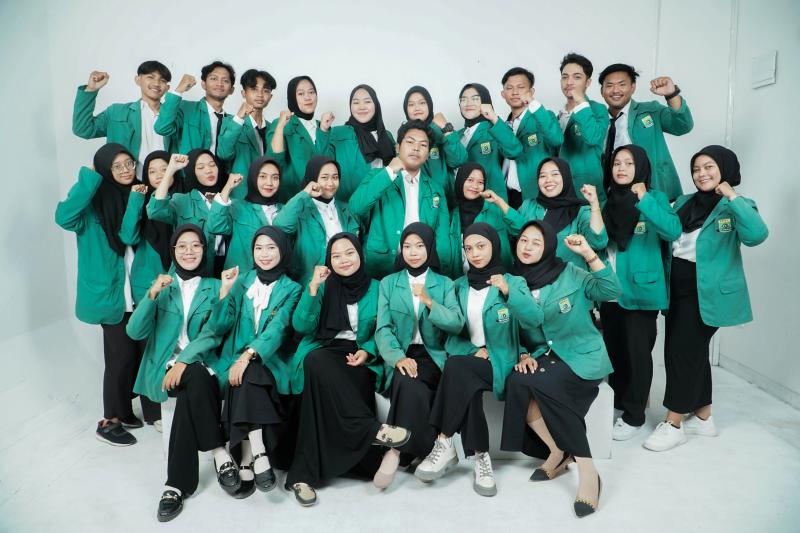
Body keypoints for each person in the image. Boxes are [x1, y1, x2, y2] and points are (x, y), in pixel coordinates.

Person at [643, 145, 768, 452]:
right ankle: (703, 417)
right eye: (696, 169)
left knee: (680, 353)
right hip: (676, 291)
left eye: (709, 167)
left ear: (725, 169)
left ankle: (674, 424)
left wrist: (732, 196)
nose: (701, 174)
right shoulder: (685, 202)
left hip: (707, 294)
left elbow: (756, 235)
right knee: (693, 353)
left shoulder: (738, 205)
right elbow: (668, 233)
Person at [501, 220, 620, 518]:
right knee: (517, 380)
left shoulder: (570, 273)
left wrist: (589, 254)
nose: (527, 247)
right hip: (543, 354)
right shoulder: (511, 280)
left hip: (581, 355)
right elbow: (514, 327)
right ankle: (557, 451)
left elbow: (611, 290)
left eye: (536, 242)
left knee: (547, 385)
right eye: (523, 240)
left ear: (549, 247)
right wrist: (524, 353)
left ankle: (588, 472)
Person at [285, 233, 410, 506]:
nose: (344, 260)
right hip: (324, 348)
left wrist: (368, 351)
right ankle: (373, 431)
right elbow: (302, 326)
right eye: (336, 255)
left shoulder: (377, 287)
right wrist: (313, 288)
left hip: (360, 355)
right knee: (315, 363)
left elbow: (384, 328)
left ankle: (304, 474)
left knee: (324, 384)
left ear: (360, 255)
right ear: (328, 260)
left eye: (349, 253)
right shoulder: (322, 285)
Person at [126, 224, 234, 522]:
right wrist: (151, 295)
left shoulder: (214, 285)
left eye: (196, 245)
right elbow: (134, 332)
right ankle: (218, 451)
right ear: (173, 251)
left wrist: (185, 360)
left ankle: (175, 485)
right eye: (182, 246)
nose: (189, 251)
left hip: (201, 365)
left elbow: (216, 332)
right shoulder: (162, 284)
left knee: (193, 381)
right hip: (164, 369)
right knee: (194, 380)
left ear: (204, 250)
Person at [55, 143, 160, 445]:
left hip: (140, 290)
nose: (126, 170)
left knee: (144, 352)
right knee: (121, 356)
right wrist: (88, 178)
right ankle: (110, 419)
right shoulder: (91, 205)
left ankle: (139, 412)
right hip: (109, 294)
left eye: (130, 163)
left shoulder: (140, 194)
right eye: (117, 166)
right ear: (104, 169)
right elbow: (64, 217)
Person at [415, 223, 529, 497]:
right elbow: (451, 335)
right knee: (465, 376)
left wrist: (526, 352)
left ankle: (444, 441)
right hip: (469, 361)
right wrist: (471, 350)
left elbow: (530, 324)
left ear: (494, 246)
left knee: (457, 369)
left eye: (481, 246)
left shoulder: (513, 282)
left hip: (502, 363)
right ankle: (481, 458)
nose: (475, 254)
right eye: (468, 248)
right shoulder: (457, 286)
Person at [209, 227, 302, 496]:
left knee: (249, 373)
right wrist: (225, 291)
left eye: (271, 248)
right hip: (236, 356)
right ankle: (257, 454)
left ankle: (248, 457)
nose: (264, 254)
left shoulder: (292, 288)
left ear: (283, 251)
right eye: (259, 248)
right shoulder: (242, 280)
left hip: (272, 359)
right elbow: (219, 324)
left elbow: (279, 328)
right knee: (246, 374)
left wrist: (248, 355)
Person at [596, 145, 681, 440]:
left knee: (638, 354)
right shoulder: (607, 201)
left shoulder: (655, 198)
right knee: (615, 350)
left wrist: (644, 198)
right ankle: (619, 404)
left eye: (629, 163)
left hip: (642, 290)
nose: (621, 168)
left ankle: (634, 416)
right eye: (617, 163)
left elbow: (672, 230)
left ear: (641, 167)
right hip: (610, 289)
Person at [373, 223, 464, 488]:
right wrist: (398, 358)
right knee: (409, 382)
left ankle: (395, 450)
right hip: (401, 352)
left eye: (420, 246)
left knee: (409, 382)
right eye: (407, 246)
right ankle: (427, 448)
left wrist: (428, 301)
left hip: (433, 355)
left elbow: (456, 323)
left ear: (430, 248)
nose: (413, 252)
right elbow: (383, 329)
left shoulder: (444, 283)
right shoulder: (389, 283)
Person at [349, 120, 452, 278]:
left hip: (422, 268)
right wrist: (390, 172)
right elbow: (355, 208)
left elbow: (442, 236)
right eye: (410, 142)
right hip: (381, 265)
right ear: (398, 148)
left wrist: (441, 274)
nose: (416, 148)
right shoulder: (378, 176)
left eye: (423, 145)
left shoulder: (435, 189)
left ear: (427, 155)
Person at [484, 157, 607, 267]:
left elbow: (598, 242)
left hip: (565, 281)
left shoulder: (580, 210)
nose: (548, 180)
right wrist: (499, 201)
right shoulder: (529, 205)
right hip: (529, 278)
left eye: (555, 174)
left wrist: (594, 203)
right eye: (543, 176)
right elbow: (519, 230)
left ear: (566, 177)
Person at [599, 63, 693, 201]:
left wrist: (672, 94)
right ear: (602, 90)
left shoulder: (651, 110)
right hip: (615, 196)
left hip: (655, 192)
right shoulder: (596, 121)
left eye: (622, 84)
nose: (615, 90)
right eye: (609, 85)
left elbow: (683, 126)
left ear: (633, 87)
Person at [72, 61, 178, 180]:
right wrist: (91, 89)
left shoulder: (175, 116)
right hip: (127, 183)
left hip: (166, 183)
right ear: (138, 80)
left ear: (167, 88)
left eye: (162, 80)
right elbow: (83, 129)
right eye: (150, 77)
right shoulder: (116, 112)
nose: (157, 83)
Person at [272, 155, 361, 285]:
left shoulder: (346, 209)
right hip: (310, 283)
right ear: (312, 179)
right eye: (324, 177)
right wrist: (305, 193)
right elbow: (280, 226)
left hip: (346, 282)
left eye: (335, 177)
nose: (331, 183)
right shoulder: (300, 208)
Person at [147, 150, 231, 276]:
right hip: (188, 274)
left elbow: (222, 244)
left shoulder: (229, 202)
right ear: (192, 171)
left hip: (222, 271)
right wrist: (170, 171)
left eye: (212, 165)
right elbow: (155, 211)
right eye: (201, 167)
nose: (209, 170)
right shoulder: (182, 200)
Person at [318, 84, 396, 202]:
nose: (361, 107)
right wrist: (323, 130)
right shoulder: (338, 133)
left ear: (376, 104)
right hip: (350, 205)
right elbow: (321, 164)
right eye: (356, 102)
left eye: (367, 101)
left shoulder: (386, 136)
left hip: (384, 203)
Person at [499, 67, 563, 207]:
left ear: (531, 91)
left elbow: (557, 139)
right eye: (509, 88)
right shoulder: (502, 126)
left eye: (520, 87)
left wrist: (533, 104)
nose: (515, 92)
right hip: (507, 197)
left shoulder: (543, 117)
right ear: (503, 94)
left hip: (536, 195)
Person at [206, 156, 283, 271]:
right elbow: (215, 226)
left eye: (275, 177)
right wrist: (227, 188)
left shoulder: (285, 210)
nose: (269, 183)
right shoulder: (238, 206)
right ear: (253, 177)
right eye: (262, 176)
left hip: (276, 277)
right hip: (240, 278)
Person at [121, 150, 177, 304]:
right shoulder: (140, 201)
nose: (159, 175)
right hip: (146, 282)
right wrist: (136, 199)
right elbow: (128, 237)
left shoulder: (185, 199)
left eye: (164, 169)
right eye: (152, 171)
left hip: (181, 280)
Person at [266, 75, 333, 201]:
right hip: (292, 199)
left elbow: (327, 164)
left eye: (311, 92)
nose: (308, 97)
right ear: (292, 98)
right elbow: (275, 160)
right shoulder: (282, 123)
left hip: (322, 200)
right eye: (301, 94)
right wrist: (280, 127)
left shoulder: (322, 125)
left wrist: (324, 130)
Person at [556, 53, 609, 203]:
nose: (569, 82)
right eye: (565, 77)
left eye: (577, 77)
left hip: (588, 191)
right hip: (560, 192)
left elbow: (593, 138)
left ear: (588, 82)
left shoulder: (597, 109)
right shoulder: (558, 115)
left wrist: (581, 103)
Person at [456, 83, 522, 202]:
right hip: (462, 204)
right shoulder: (456, 135)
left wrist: (493, 117)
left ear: (486, 102)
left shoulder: (495, 129)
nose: (468, 103)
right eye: (463, 99)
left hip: (491, 203)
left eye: (475, 99)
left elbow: (514, 150)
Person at [216, 69, 277, 199]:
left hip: (269, 195)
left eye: (266, 90)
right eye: (254, 89)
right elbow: (223, 153)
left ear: (270, 97)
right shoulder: (231, 122)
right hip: (241, 196)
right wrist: (239, 117)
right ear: (243, 93)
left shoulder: (273, 129)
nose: (260, 94)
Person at [154, 61, 236, 157]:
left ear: (231, 90)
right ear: (203, 84)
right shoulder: (185, 108)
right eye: (214, 78)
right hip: (187, 166)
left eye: (225, 81)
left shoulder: (234, 122)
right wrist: (179, 89)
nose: (219, 83)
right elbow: (162, 128)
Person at [401, 85, 467, 203]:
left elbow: (459, 160)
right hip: (414, 200)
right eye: (411, 104)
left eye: (422, 103)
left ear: (429, 106)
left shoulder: (441, 130)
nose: (417, 108)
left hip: (444, 200)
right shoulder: (403, 134)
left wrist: (445, 128)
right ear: (406, 109)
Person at [447, 163, 513, 277]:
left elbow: (520, 228)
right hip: (462, 279)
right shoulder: (453, 215)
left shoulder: (495, 209)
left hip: (497, 277)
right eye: (470, 180)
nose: (475, 186)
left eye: (480, 182)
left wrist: (499, 201)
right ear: (460, 181)